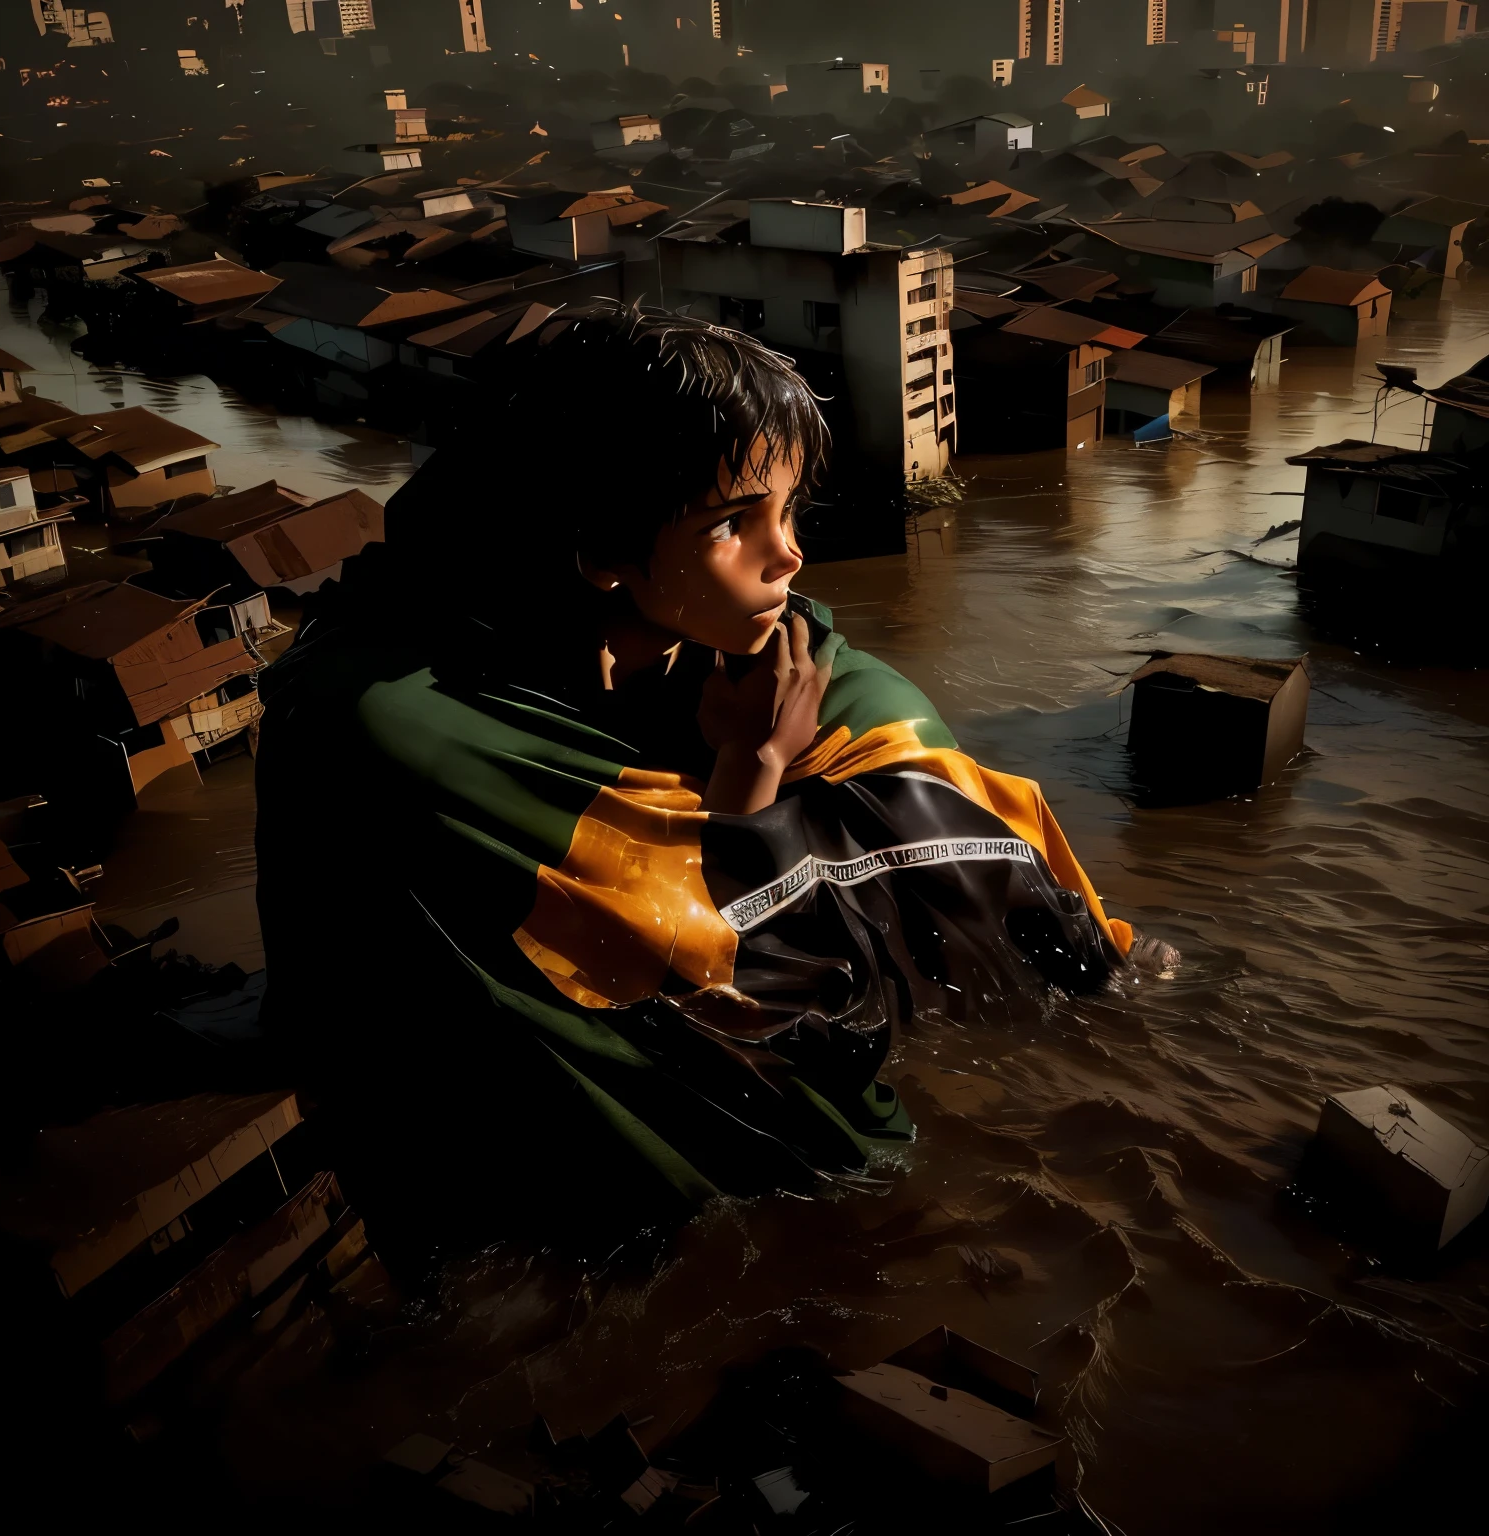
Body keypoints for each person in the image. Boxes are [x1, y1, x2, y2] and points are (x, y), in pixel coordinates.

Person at [255, 302, 1134, 1252]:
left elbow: (963, 830)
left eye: (789, 510)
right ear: (602, 548)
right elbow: (692, 975)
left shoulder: (797, 672)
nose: (789, 555)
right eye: (732, 524)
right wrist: (750, 768)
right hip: (520, 1154)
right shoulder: (401, 729)